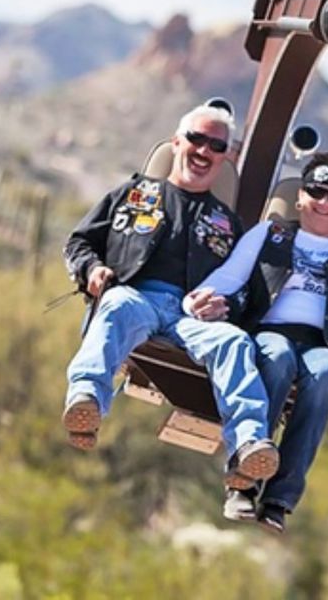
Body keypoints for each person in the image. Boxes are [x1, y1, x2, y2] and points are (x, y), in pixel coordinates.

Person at [62, 103, 279, 489]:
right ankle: (86, 400)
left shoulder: (229, 225)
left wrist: (226, 305)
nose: (204, 151)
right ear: (177, 142)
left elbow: (252, 294)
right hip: (135, 296)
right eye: (196, 139)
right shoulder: (132, 193)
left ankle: (248, 443)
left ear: (226, 156)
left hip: (192, 319)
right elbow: (80, 242)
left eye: (216, 145)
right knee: (115, 306)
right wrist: (92, 270)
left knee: (234, 341)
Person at [184, 152, 328, 533]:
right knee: (275, 358)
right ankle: (245, 479)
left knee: (325, 373)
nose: (323, 203)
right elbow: (229, 278)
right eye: (315, 191)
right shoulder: (269, 234)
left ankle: (280, 498)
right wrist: (198, 297)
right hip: (273, 329)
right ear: (300, 197)